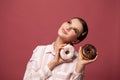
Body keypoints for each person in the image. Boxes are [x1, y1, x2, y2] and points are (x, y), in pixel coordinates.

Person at [23, 17, 97, 80]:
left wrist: (79, 67)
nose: (68, 28)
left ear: (76, 40)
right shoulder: (40, 50)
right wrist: (52, 64)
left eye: (75, 30)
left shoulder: (77, 61)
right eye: (69, 22)